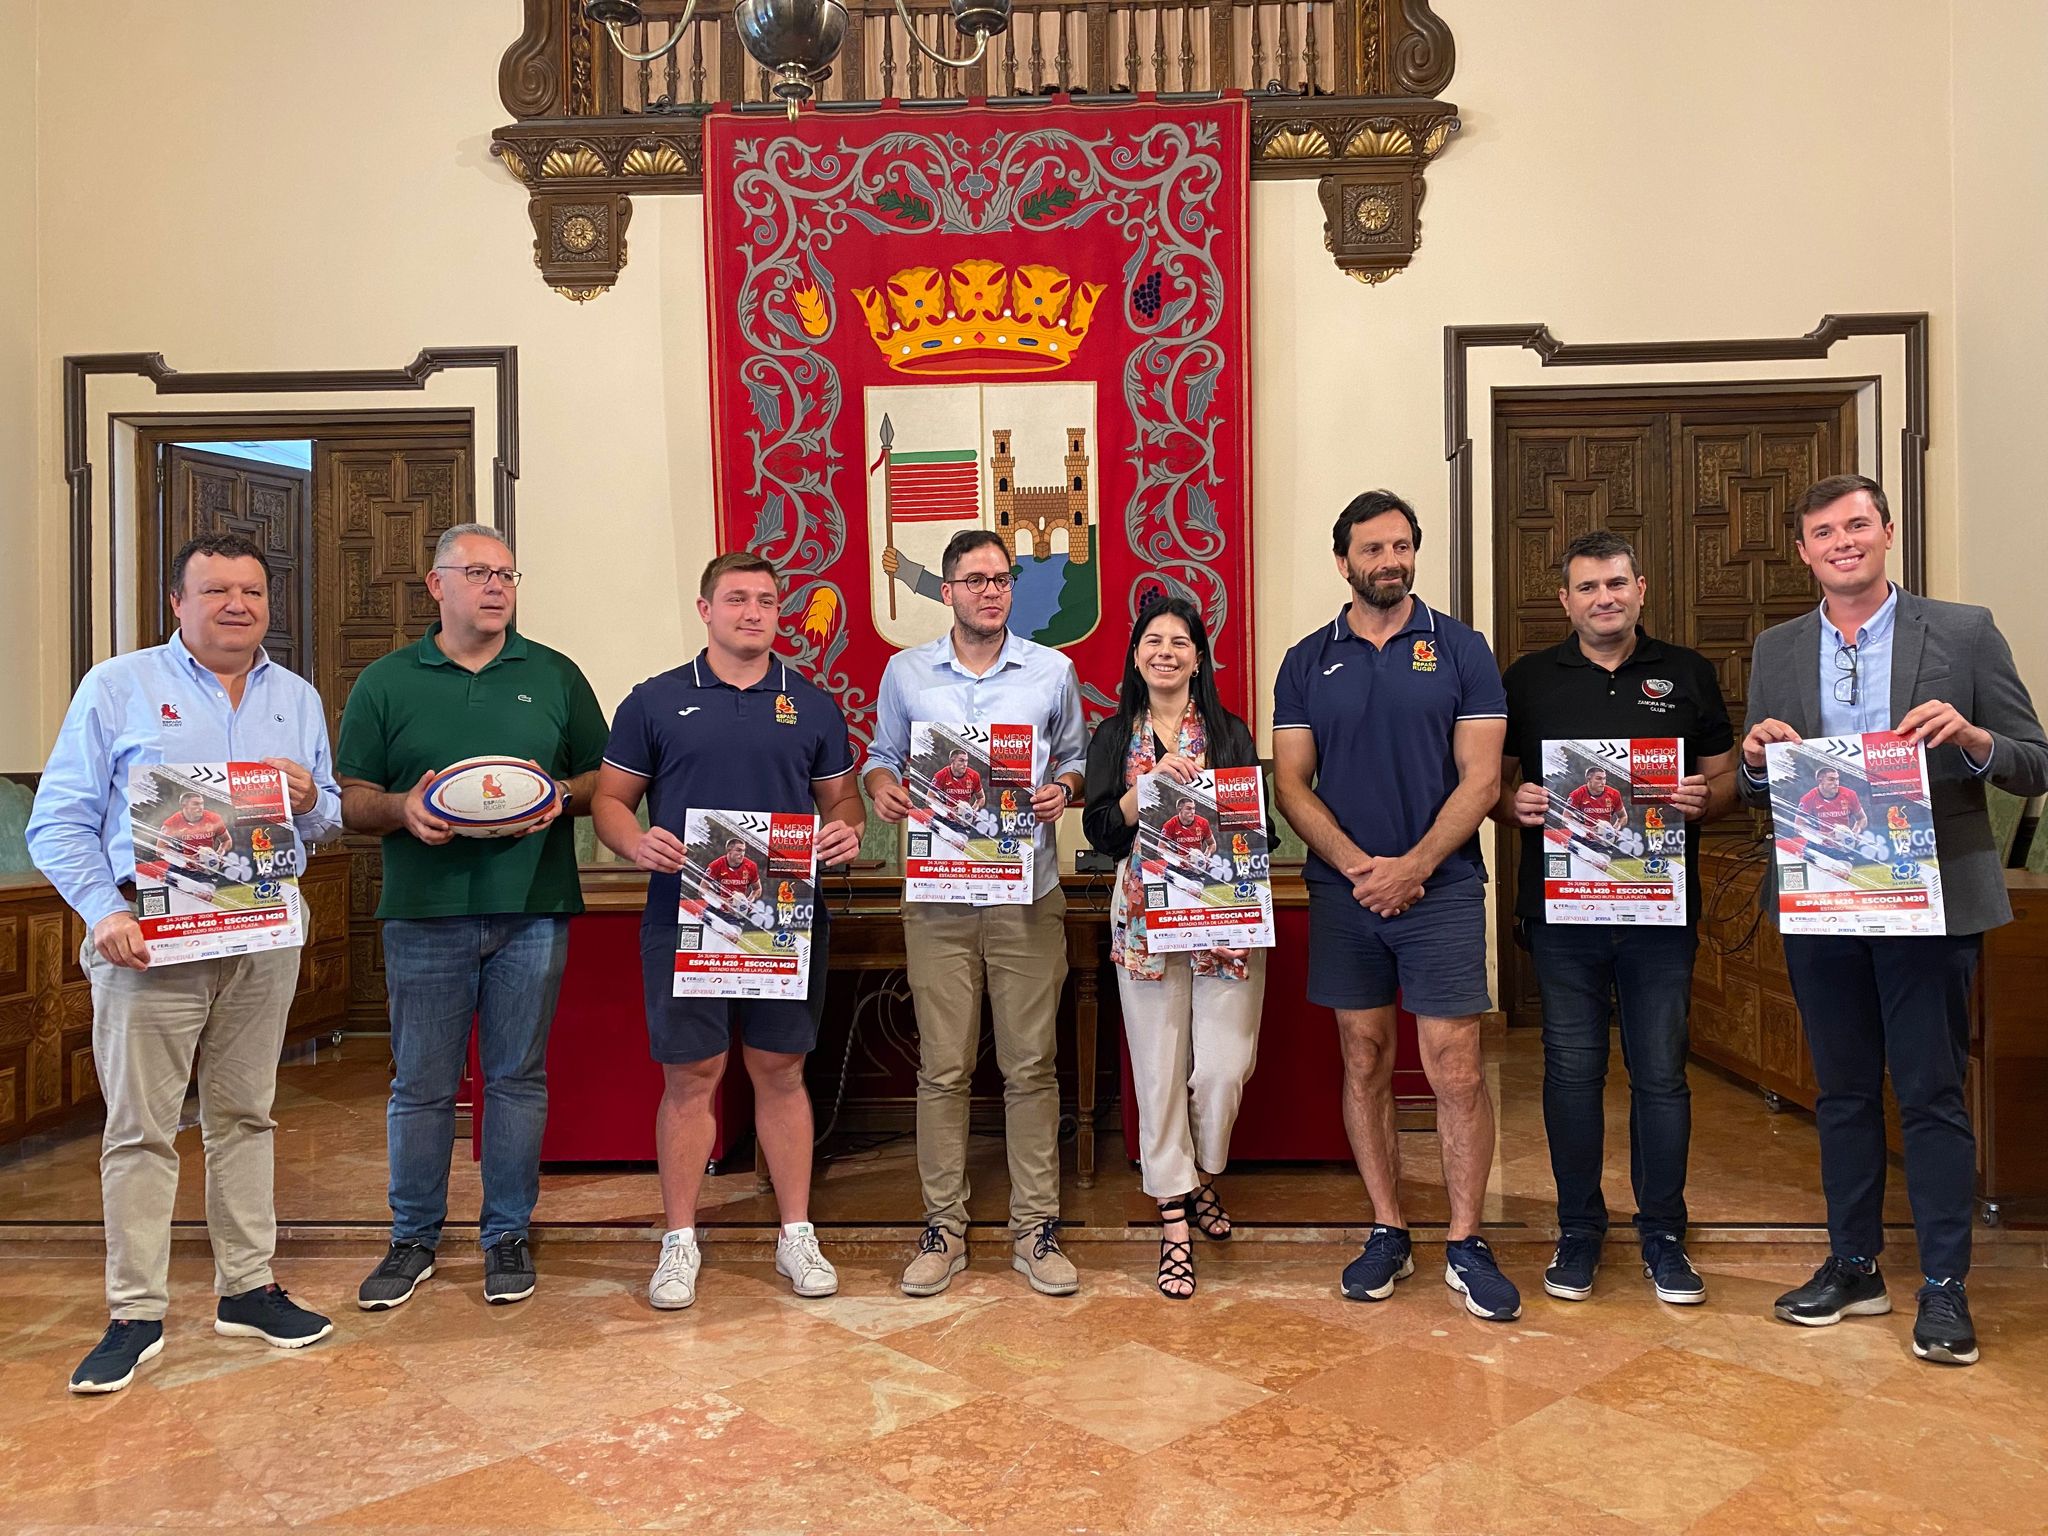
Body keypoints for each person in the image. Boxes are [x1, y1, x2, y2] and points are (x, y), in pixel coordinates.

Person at [1741, 474, 2048, 1366]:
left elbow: (2033, 764)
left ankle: (1946, 1286)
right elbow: (1765, 773)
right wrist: (1758, 760)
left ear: (1885, 534)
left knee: (1931, 1092)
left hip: (1931, 898)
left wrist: (1972, 738)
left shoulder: (1962, 631)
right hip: (1822, 894)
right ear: (1803, 550)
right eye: (1823, 532)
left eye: (1857, 525)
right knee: (1839, 1094)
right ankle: (1855, 1266)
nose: (1843, 542)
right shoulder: (1779, 646)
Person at [27, 531, 343, 1393]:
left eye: (251, 590)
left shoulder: (298, 698)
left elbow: (325, 818)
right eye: (215, 591)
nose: (237, 604)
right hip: (149, 942)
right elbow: (55, 821)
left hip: (262, 937)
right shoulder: (118, 687)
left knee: (246, 1115)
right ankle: (134, 1310)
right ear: (178, 602)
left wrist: (314, 797)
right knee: (140, 1129)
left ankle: (247, 1288)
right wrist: (103, 913)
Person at [336, 523, 609, 1311]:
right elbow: (352, 799)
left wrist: (562, 796)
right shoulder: (387, 681)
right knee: (421, 1085)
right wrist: (403, 810)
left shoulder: (554, 675)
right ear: (437, 584)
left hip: (532, 907)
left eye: (507, 574)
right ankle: (413, 1237)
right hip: (423, 914)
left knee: (516, 1078)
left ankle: (508, 1234)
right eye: (479, 572)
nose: (496, 587)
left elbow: (603, 778)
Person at [1271, 490, 1520, 1320]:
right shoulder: (1308, 660)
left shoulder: (1461, 649)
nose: (1392, 560)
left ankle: (1464, 1238)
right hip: (1346, 894)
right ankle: (1387, 1228)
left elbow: (1483, 778)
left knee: (1454, 1066)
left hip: (1443, 889)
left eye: (1403, 546)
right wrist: (1358, 868)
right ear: (1343, 561)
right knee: (1365, 1058)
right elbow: (1291, 785)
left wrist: (1411, 867)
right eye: (1374, 549)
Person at [593, 552, 864, 1310]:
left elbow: (843, 804)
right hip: (685, 914)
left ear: (781, 615)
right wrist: (631, 841)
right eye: (736, 599)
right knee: (692, 1077)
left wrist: (843, 831)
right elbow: (612, 800)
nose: (753, 612)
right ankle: (678, 1241)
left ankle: (795, 1234)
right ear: (705, 608)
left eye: (767, 601)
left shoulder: (810, 704)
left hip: (783, 917)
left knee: (780, 1072)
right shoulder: (654, 700)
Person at [1496, 529, 1737, 1305]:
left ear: (1641, 589)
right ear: (1565, 601)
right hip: (1563, 915)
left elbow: (1725, 779)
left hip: (1660, 915)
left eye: (1617, 584)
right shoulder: (1528, 680)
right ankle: (1579, 1229)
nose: (1605, 598)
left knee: (1662, 1074)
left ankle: (1664, 1232)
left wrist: (1708, 800)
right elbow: (1491, 787)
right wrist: (1516, 804)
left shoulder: (1688, 673)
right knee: (1572, 1073)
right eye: (1589, 588)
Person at [865, 528, 1088, 1298]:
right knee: (944, 1066)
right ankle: (943, 1229)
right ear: (949, 590)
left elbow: (1075, 759)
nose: (990, 590)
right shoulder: (907, 672)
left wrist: (1067, 786)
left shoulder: (1052, 671)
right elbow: (881, 756)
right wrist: (880, 788)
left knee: (1031, 1065)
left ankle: (1035, 1228)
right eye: (974, 579)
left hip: (1027, 894)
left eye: (1000, 579)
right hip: (938, 898)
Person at [1081, 596, 1266, 1298]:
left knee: (1222, 1068)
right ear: (1136, 656)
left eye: (1179, 641)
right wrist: (1145, 788)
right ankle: (1174, 1216)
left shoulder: (1228, 732)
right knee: (1158, 1070)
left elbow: (1252, 821)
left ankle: (1202, 1176)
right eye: (1152, 640)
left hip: (1222, 911)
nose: (1165, 651)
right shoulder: (1110, 736)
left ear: (1197, 656)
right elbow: (1101, 829)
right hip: (1142, 916)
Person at [153, 789, 232, 870]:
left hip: (206, 869)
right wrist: (188, 858)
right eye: (196, 804)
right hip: (180, 869)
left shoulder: (214, 818)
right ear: (184, 805)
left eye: (202, 804)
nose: (200, 807)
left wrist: (219, 854)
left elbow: (226, 840)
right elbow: (160, 850)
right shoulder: (171, 823)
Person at [1797, 765, 1868, 837]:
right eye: (1831, 779)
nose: (1836, 783)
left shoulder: (1849, 795)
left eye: (1837, 779)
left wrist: (1855, 832)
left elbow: (1862, 818)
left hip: (1844, 844)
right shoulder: (1808, 798)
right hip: (1818, 844)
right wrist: (1825, 836)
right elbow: (1798, 826)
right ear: (1820, 781)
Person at [1565, 767, 1627, 831]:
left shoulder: (1614, 794)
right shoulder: (1576, 794)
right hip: (1581, 837)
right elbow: (1565, 819)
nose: (1603, 782)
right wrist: (1587, 829)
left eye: (1604, 778)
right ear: (1589, 779)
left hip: (1603, 837)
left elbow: (1623, 817)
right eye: (1598, 779)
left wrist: (1615, 828)